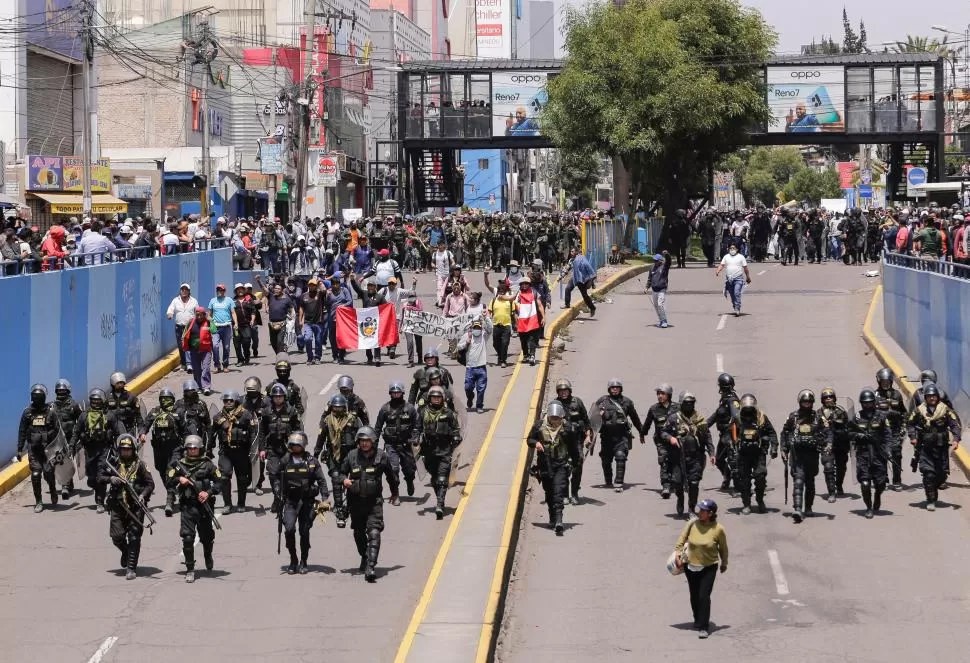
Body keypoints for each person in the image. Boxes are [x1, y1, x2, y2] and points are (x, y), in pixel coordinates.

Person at [338, 427, 398, 581]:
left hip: (374, 502)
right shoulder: (352, 456)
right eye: (361, 441)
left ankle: (371, 566)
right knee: (359, 533)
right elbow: (340, 473)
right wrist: (344, 479)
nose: (364, 444)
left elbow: (391, 476)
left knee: (374, 532)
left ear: (372, 441)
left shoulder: (382, 457)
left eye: (367, 441)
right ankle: (364, 557)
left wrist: (394, 492)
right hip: (355, 502)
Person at [99, 434, 154, 580]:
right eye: (123, 450)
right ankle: (125, 550)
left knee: (134, 537)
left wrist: (142, 495)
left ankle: (131, 568)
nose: (126, 452)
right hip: (117, 504)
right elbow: (99, 477)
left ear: (134, 450)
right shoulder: (114, 464)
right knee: (116, 536)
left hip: (136, 506)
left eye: (128, 450)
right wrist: (111, 478)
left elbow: (150, 484)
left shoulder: (140, 465)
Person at [274, 432, 331, 574]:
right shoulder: (285, 461)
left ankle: (304, 561)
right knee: (289, 529)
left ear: (303, 446)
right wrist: (277, 492)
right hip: (290, 502)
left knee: (304, 531)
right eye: (293, 445)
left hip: (307, 502)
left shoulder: (312, 461)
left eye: (298, 445)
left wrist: (325, 499)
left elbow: (322, 481)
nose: (295, 447)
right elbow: (276, 478)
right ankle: (293, 559)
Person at [168, 435, 222, 583]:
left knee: (206, 537)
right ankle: (190, 569)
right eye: (190, 448)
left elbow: (220, 481)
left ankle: (207, 555)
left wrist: (208, 493)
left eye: (195, 448)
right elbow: (169, 479)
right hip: (187, 506)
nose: (192, 450)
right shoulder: (179, 465)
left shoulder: (208, 464)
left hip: (204, 507)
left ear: (200, 449)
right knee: (187, 537)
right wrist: (179, 479)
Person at [673, 499, 728, 639]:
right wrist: (678, 554)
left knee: (704, 596)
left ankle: (704, 626)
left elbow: (723, 548)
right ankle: (698, 619)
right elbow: (681, 538)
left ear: (710, 513)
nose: (699, 513)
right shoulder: (692, 523)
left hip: (709, 567)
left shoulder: (718, 529)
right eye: (699, 510)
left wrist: (724, 563)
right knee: (694, 595)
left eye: (702, 511)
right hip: (690, 565)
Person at [907, 383, 961, 511]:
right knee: (928, 474)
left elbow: (955, 424)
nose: (932, 398)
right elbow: (910, 424)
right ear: (925, 397)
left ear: (938, 397)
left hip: (941, 448)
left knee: (941, 475)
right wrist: (913, 437)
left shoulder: (945, 410)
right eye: (929, 396)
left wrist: (956, 439)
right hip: (925, 448)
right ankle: (930, 499)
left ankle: (933, 489)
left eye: (934, 396)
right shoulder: (919, 410)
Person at [527, 402, 578, 535]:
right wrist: (536, 443)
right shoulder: (539, 426)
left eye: (557, 418)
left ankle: (559, 521)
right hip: (545, 465)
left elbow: (573, 447)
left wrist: (576, 462)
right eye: (553, 418)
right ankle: (552, 518)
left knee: (558, 492)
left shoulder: (567, 428)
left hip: (561, 464)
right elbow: (529, 440)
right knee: (549, 492)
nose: (555, 420)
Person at [72, 388, 126, 513]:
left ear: (103, 401)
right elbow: (76, 432)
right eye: (93, 400)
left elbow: (118, 432)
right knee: (91, 478)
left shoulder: (110, 415)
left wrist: (121, 448)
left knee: (101, 475)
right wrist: (71, 446)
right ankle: (98, 490)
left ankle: (100, 502)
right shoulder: (84, 415)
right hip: (89, 450)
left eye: (98, 400)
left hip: (104, 449)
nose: (96, 403)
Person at [661, 392, 714, 517]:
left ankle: (691, 508)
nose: (689, 405)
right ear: (681, 404)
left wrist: (712, 453)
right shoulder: (674, 418)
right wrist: (671, 438)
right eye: (686, 403)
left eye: (691, 403)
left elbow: (707, 436)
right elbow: (663, 432)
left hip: (696, 457)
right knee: (678, 483)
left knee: (694, 484)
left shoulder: (699, 419)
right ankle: (680, 499)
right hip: (678, 457)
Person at [314, 394, 362, 528]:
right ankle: (339, 508)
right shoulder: (327, 421)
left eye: (340, 407)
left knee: (351, 482)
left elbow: (361, 437)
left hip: (351, 455)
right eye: (335, 407)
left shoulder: (353, 420)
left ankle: (352, 505)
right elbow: (321, 437)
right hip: (333, 455)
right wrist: (316, 453)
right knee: (336, 480)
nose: (338, 410)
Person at [781, 390, 829, 523]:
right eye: (804, 402)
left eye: (809, 402)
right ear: (800, 402)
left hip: (812, 455)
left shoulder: (819, 417)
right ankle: (797, 509)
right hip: (797, 455)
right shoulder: (793, 417)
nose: (807, 404)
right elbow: (785, 433)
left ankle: (808, 507)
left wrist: (827, 445)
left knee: (810, 482)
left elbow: (827, 432)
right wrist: (784, 449)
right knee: (798, 480)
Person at [415, 386, 462, 519]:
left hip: (444, 449)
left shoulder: (448, 413)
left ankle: (440, 504)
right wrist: (415, 438)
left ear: (442, 398)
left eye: (438, 397)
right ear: (430, 398)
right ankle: (439, 496)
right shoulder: (423, 412)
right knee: (435, 479)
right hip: (428, 450)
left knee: (442, 478)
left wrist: (456, 437)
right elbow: (417, 428)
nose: (436, 399)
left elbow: (455, 429)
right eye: (434, 397)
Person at [258, 384, 304, 514]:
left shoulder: (292, 411)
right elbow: (261, 432)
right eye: (275, 397)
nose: (278, 399)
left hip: (288, 449)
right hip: (272, 448)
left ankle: (286, 497)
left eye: (280, 396)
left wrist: (298, 447)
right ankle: (277, 497)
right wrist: (262, 449)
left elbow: (299, 430)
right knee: (273, 474)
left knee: (288, 474)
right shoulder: (266, 411)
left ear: (284, 397)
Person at [593, 379, 645, 492]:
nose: (615, 389)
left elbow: (635, 418)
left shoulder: (627, 402)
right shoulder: (602, 401)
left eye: (617, 387)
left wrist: (642, 432)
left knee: (621, 456)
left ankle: (618, 482)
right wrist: (588, 433)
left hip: (622, 436)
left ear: (621, 389)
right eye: (612, 387)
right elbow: (592, 417)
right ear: (609, 389)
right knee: (606, 459)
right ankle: (608, 480)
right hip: (606, 437)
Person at [213, 391, 258, 515]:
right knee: (224, 476)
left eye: (230, 400)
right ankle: (227, 504)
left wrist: (255, 449)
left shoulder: (246, 415)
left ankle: (241, 503)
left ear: (236, 401)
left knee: (242, 478)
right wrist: (207, 450)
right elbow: (212, 433)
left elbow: (254, 432)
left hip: (242, 451)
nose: (228, 402)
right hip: (225, 451)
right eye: (225, 400)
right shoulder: (218, 416)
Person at [17, 384, 61, 512]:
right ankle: (39, 501)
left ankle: (53, 489)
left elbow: (58, 430)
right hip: (33, 448)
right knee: (36, 474)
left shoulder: (51, 412)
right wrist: (20, 449)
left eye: (39, 397)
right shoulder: (27, 413)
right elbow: (22, 431)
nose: (36, 399)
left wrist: (58, 447)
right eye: (34, 396)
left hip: (48, 449)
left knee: (48, 473)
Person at [141, 388, 185, 517]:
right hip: (159, 449)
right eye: (163, 398)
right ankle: (174, 490)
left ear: (173, 399)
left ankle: (169, 501)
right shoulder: (155, 412)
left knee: (170, 471)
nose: (165, 401)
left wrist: (190, 445)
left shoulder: (178, 412)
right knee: (161, 470)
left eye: (168, 398)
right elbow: (146, 424)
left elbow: (186, 430)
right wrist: (142, 433)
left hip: (175, 448)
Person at [850, 390, 892, 518]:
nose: (867, 405)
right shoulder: (857, 417)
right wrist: (860, 435)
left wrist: (888, 450)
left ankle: (878, 496)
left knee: (880, 483)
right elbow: (849, 433)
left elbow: (888, 435)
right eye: (865, 403)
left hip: (879, 453)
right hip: (863, 454)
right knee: (865, 483)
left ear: (874, 402)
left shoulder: (882, 416)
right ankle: (868, 508)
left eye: (870, 403)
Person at [375, 382, 420, 499]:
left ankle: (410, 482)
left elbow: (417, 426)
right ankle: (395, 493)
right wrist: (374, 445)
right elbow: (378, 428)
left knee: (409, 470)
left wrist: (415, 438)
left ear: (402, 393)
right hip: (391, 445)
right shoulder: (385, 409)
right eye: (393, 393)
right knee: (393, 469)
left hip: (406, 444)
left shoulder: (409, 408)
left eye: (398, 392)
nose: (396, 395)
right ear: (390, 393)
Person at [734, 394, 778, 514]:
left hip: (759, 454)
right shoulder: (737, 418)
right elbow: (728, 434)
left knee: (760, 477)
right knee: (744, 480)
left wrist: (774, 447)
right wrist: (730, 444)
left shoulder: (762, 417)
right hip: (743, 454)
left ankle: (760, 500)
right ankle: (746, 504)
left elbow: (772, 433)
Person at [553, 379, 592, 505]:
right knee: (563, 468)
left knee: (578, 466)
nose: (564, 393)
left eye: (566, 390)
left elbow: (586, 421)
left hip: (577, 440)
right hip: (561, 442)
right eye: (561, 391)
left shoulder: (577, 402)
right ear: (558, 392)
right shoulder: (554, 405)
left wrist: (588, 436)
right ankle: (564, 495)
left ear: (569, 391)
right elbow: (547, 423)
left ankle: (574, 493)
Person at [641, 383, 679, 498]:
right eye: (658, 394)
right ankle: (665, 486)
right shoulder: (654, 409)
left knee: (675, 461)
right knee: (664, 461)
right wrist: (642, 434)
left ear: (669, 395)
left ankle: (674, 482)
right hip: (661, 440)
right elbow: (647, 423)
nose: (660, 396)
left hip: (676, 439)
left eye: (662, 394)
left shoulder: (678, 407)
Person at [874, 368, 908, 490]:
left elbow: (904, 413)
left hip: (895, 430)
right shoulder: (875, 395)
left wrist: (904, 427)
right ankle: (883, 478)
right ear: (879, 381)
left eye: (888, 381)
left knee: (896, 454)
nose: (886, 384)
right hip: (881, 431)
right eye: (883, 382)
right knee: (881, 455)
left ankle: (897, 481)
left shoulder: (897, 395)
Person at [707, 373, 740, 492]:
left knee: (733, 459)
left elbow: (736, 416)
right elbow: (717, 414)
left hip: (730, 434)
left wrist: (733, 434)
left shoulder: (732, 400)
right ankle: (727, 476)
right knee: (719, 459)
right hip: (724, 435)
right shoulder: (725, 399)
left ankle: (737, 487)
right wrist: (703, 425)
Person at [51, 379, 83, 498]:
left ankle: (65, 486)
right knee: (60, 462)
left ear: (68, 391)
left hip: (71, 439)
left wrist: (81, 438)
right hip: (57, 440)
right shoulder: (52, 406)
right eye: (59, 391)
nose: (61, 393)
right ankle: (68, 483)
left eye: (63, 391)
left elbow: (81, 421)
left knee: (65, 460)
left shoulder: (74, 405)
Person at [818, 388, 851, 501]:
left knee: (841, 467)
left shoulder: (841, 411)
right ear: (822, 400)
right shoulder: (818, 413)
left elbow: (849, 427)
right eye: (826, 398)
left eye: (830, 397)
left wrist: (840, 428)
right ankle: (831, 492)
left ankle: (839, 484)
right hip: (826, 445)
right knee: (828, 468)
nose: (828, 399)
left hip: (841, 444)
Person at [457, 317, 493, 413]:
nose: (476, 330)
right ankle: (470, 397)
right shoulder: (467, 335)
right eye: (475, 328)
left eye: (478, 328)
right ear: (472, 328)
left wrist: (486, 317)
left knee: (481, 389)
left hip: (481, 367)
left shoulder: (484, 336)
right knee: (468, 387)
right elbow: (459, 347)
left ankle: (479, 405)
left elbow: (490, 328)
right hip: (470, 367)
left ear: (481, 329)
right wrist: (466, 343)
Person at [182, 306, 214, 395]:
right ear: (195, 314)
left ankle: (206, 387)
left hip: (206, 350)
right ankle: (198, 386)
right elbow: (185, 334)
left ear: (204, 315)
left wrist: (211, 320)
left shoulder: (207, 322)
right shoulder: (191, 323)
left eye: (201, 315)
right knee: (196, 370)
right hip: (194, 350)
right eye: (198, 315)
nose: (199, 317)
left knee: (206, 368)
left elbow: (214, 330)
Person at [167, 284, 198, 373]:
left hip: (190, 327)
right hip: (179, 327)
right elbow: (171, 308)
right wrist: (170, 314)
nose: (184, 291)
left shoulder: (193, 301)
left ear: (189, 291)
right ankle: (184, 364)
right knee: (181, 346)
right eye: (182, 289)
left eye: (186, 290)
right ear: (180, 291)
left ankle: (190, 364)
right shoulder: (176, 300)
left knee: (189, 345)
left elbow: (197, 312)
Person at [714, 242, 751, 316]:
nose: (732, 250)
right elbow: (722, 265)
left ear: (737, 249)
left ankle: (737, 308)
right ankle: (735, 305)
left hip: (738, 279)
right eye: (730, 248)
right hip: (729, 279)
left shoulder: (741, 257)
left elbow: (745, 268)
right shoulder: (726, 257)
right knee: (732, 295)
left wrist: (748, 277)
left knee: (736, 293)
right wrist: (718, 270)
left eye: (734, 248)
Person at [208, 284, 238, 373]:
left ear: (224, 291)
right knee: (215, 346)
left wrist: (236, 323)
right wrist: (211, 320)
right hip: (216, 328)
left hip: (226, 327)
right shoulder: (213, 301)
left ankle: (225, 365)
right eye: (218, 290)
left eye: (221, 290)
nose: (220, 292)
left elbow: (233, 312)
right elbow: (208, 314)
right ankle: (217, 365)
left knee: (226, 347)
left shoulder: (229, 300)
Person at [514, 276, 544, 366]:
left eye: (526, 284)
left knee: (532, 339)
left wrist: (543, 317)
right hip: (522, 321)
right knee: (523, 340)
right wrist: (515, 319)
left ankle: (532, 356)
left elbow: (540, 305)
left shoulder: (534, 293)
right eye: (522, 284)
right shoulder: (518, 294)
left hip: (532, 319)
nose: (524, 285)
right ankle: (526, 355)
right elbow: (514, 307)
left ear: (529, 284)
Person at [106, 372, 145, 437]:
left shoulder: (131, 397)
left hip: (128, 429)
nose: (120, 385)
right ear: (113, 384)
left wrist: (141, 432)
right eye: (118, 383)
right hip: (112, 430)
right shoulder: (107, 398)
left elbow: (138, 415)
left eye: (122, 383)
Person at [487, 277, 515, 367]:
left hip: (506, 326)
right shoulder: (494, 300)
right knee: (495, 344)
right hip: (496, 326)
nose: (501, 291)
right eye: (499, 290)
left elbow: (513, 313)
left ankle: (503, 360)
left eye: (503, 290)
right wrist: (487, 317)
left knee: (505, 343)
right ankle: (500, 355)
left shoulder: (510, 301)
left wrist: (517, 324)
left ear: (505, 291)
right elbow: (489, 311)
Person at [298, 278, 327, 365]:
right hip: (307, 322)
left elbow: (324, 290)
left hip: (318, 322)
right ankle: (310, 357)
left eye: (313, 285)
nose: (312, 286)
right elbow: (301, 308)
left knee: (318, 341)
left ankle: (317, 357)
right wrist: (300, 320)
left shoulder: (320, 294)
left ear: (316, 286)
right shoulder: (304, 296)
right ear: (308, 286)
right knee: (307, 339)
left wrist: (320, 282)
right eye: (310, 285)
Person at [561, 247, 597, 315]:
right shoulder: (571, 260)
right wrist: (561, 276)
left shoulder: (581, 258)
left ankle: (592, 308)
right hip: (575, 278)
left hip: (582, 279)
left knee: (585, 295)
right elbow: (567, 268)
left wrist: (592, 280)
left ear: (576, 252)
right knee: (567, 289)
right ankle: (567, 304)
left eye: (573, 251)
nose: (571, 253)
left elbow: (588, 266)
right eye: (571, 251)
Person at [232, 284, 257, 366]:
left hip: (246, 325)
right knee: (237, 343)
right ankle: (240, 360)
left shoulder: (248, 299)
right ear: (236, 291)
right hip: (236, 326)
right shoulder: (233, 301)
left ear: (244, 290)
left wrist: (252, 320)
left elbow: (253, 311)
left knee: (247, 340)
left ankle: (247, 357)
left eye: (241, 289)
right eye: (238, 290)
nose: (240, 291)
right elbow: (231, 313)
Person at [646, 251, 671, 328]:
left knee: (660, 304)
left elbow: (669, 261)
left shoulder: (664, 267)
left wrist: (667, 254)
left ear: (660, 261)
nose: (655, 262)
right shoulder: (652, 268)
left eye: (656, 261)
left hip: (662, 289)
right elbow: (649, 279)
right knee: (656, 306)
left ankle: (664, 321)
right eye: (654, 260)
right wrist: (647, 287)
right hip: (654, 290)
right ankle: (661, 320)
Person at [402, 292, 424, 367]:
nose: (412, 298)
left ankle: (420, 358)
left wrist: (411, 308)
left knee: (418, 342)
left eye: (413, 296)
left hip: (417, 326)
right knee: (410, 342)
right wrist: (400, 327)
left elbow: (420, 311)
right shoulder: (405, 305)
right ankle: (410, 361)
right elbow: (402, 316)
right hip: (408, 326)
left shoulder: (418, 302)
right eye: (410, 296)